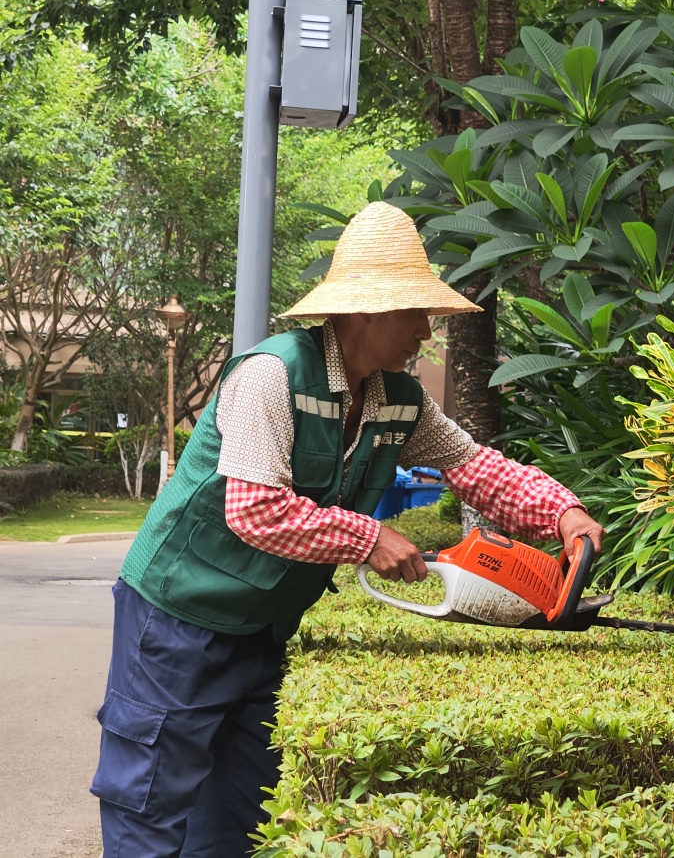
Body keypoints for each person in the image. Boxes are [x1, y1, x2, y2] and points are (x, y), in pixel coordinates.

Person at [91, 201, 606, 857]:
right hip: (175, 620)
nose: (426, 329)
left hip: (262, 629)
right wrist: (368, 538)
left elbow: (476, 469)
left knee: (237, 822)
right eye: (415, 311)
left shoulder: (399, 396)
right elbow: (254, 510)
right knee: (150, 808)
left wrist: (563, 512)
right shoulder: (271, 375)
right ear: (365, 309)